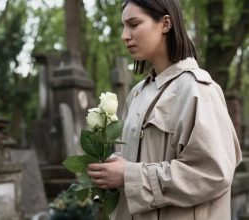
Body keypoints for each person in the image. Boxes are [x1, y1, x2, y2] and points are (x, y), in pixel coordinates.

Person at [87, 0, 242, 219]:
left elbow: (213, 174)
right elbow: (142, 158)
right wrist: (110, 170)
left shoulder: (198, 90)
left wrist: (130, 176)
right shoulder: (137, 94)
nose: (124, 35)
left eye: (134, 24)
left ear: (165, 24)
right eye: (123, 26)